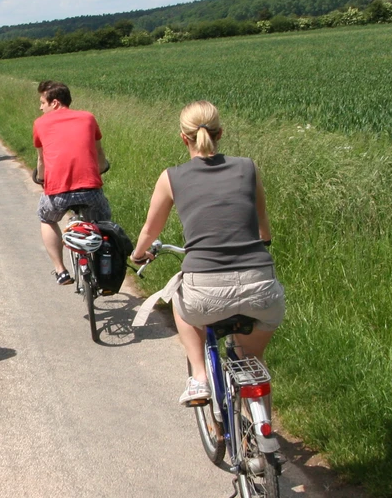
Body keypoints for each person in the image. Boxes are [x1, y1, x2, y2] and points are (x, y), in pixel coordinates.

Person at [129, 100, 284, 406]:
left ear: (183, 137)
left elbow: (150, 231)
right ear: (220, 133)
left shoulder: (171, 177)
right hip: (260, 285)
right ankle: (262, 432)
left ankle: (199, 377)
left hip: (205, 291)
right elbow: (262, 221)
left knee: (179, 301)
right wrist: (263, 239)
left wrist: (138, 255)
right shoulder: (248, 167)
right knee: (253, 361)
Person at [32, 80, 111, 285]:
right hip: (90, 189)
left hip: (58, 192)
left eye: (42, 102)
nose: (40, 107)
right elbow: (99, 154)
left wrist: (41, 178)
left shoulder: (40, 124)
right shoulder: (88, 118)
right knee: (103, 223)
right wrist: (102, 168)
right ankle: (103, 266)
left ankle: (61, 271)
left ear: (55, 103)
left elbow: (42, 161)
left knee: (47, 218)